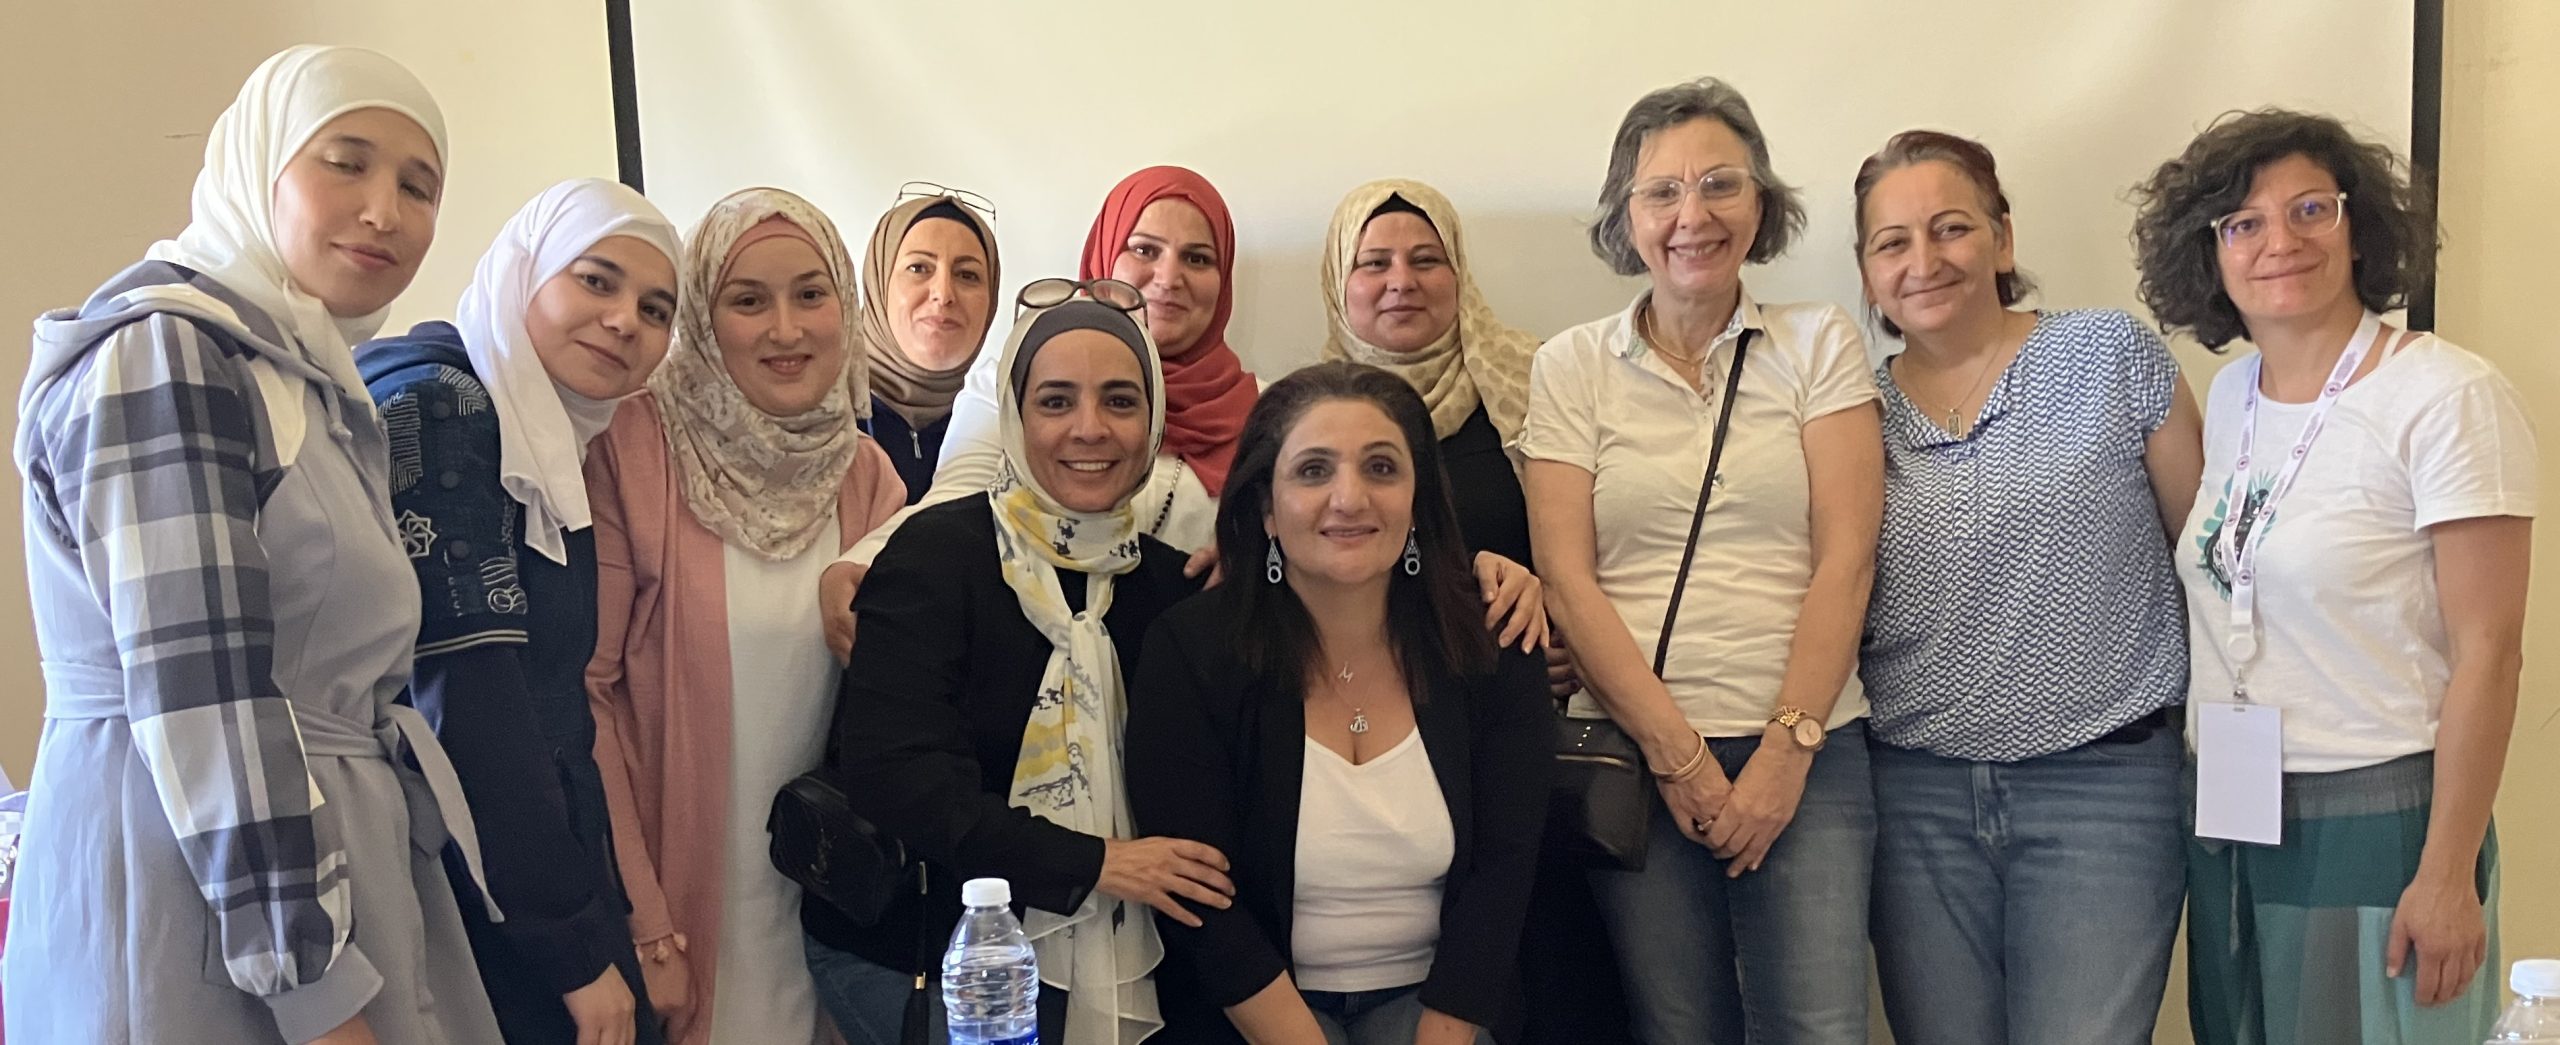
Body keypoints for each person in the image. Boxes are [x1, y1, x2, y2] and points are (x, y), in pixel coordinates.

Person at [7, 44, 505, 1045]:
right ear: (257, 165)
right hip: (195, 890)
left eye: (420, 185)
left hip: (305, 871)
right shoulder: (164, 354)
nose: (385, 209)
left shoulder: (303, 373)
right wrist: (312, 985)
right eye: (345, 162)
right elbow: (207, 700)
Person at [2132, 109, 2535, 1045]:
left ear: (2360, 228)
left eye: (2311, 208)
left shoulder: (2445, 395)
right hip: (2236, 807)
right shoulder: (2232, 396)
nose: (2280, 241)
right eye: (2244, 223)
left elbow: (2492, 651)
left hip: (2382, 811)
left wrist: (2446, 873)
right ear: (2212, 253)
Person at [1519, 76, 1883, 1044]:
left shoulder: (1817, 342)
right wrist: (1678, 757)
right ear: (1624, 217)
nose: (1693, 215)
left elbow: (1846, 558)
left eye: (1720, 183)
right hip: (1635, 760)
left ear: (1759, 202)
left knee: (1819, 1028)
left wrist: (1783, 751)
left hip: (1808, 752)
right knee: (1680, 1031)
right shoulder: (1569, 365)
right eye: (1661, 192)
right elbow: (1567, 578)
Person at [1850, 130, 2201, 1045]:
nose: (1923, 261)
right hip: (1914, 796)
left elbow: (2214, 563)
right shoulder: (1847, 408)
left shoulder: (2110, 355)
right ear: (1867, 269)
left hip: (2106, 787)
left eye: (1951, 228)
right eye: (1892, 243)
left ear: (2003, 241)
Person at [807, 283, 1221, 1044]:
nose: (1089, 429)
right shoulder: (937, 555)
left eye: (1121, 401)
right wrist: (1097, 862)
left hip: (1129, 957)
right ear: (1014, 415)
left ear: (1154, 420)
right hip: (933, 958)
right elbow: (897, 776)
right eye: (1056, 401)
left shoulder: (1168, 584)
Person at [1128, 361, 1551, 1045]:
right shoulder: (1190, 649)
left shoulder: (1495, 640)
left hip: (1438, 1003)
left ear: (1418, 498)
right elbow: (1199, 895)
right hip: (1254, 1011)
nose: (1349, 498)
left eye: (1381, 468)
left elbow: (1503, 874)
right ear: (1266, 506)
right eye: (1313, 471)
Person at [361, 177, 683, 1045]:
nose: (625, 321)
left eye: (657, 308)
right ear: (523, 272)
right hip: (481, 896)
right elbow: (471, 711)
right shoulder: (448, 413)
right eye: (596, 279)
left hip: (519, 879)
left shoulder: (536, 432)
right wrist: (574, 952)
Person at [584, 187, 908, 1045]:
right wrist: (646, 920)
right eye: (747, 300)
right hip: (681, 894)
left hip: (825, 897)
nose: (786, 330)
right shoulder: (636, 449)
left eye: (811, 293)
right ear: (701, 313)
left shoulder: (866, 474)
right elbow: (595, 699)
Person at [1315, 178, 1624, 1043]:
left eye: (1426, 259)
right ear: (1340, 282)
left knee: (1556, 983)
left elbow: (1602, 545)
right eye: (1373, 262)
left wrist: (1566, 638)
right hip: (1384, 750)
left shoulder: (1536, 384)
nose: (1401, 280)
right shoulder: (1313, 416)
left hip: (1535, 739)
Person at [856, 185, 1000, 501]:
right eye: (919, 268)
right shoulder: (817, 421)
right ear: (878, 285)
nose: (944, 294)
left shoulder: (1010, 433)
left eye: (968, 275)